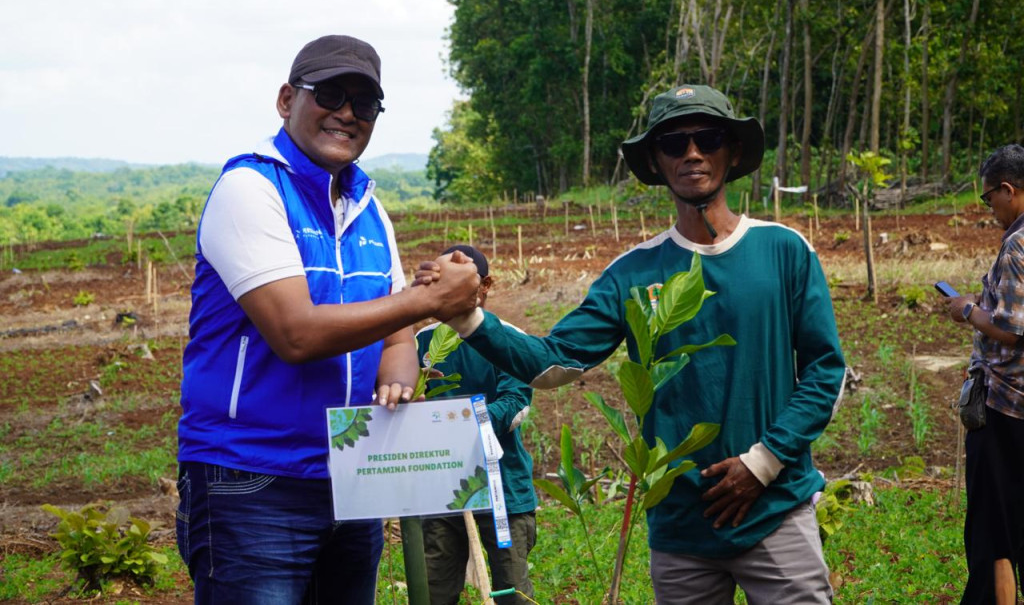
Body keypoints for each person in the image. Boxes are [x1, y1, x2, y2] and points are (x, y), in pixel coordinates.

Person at [419, 84, 845, 603]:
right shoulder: (632, 274)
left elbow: (826, 371)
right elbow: (555, 363)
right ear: (656, 163)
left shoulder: (783, 251)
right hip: (680, 525)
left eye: (707, 138)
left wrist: (764, 462)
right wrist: (468, 317)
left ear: (732, 152)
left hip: (776, 509)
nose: (692, 153)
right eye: (673, 143)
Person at [175, 34, 481, 605]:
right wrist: (430, 301)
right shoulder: (251, 188)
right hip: (252, 480)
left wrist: (399, 369)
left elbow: (394, 330)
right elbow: (296, 333)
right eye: (330, 94)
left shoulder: (368, 207)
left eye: (364, 105)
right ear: (287, 98)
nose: (346, 113)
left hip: (351, 473)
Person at [415, 244, 538, 605]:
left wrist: (465, 427)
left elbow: (516, 404)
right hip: (442, 489)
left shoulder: (508, 337)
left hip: (502, 489)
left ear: (484, 286)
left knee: (509, 591)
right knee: (433, 590)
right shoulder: (423, 342)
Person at [942, 143, 1024, 605]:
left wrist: (968, 309)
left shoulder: (1016, 244)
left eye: (989, 196)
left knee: (993, 527)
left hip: (1006, 407)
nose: (989, 206)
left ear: (1009, 190)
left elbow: (1012, 330)